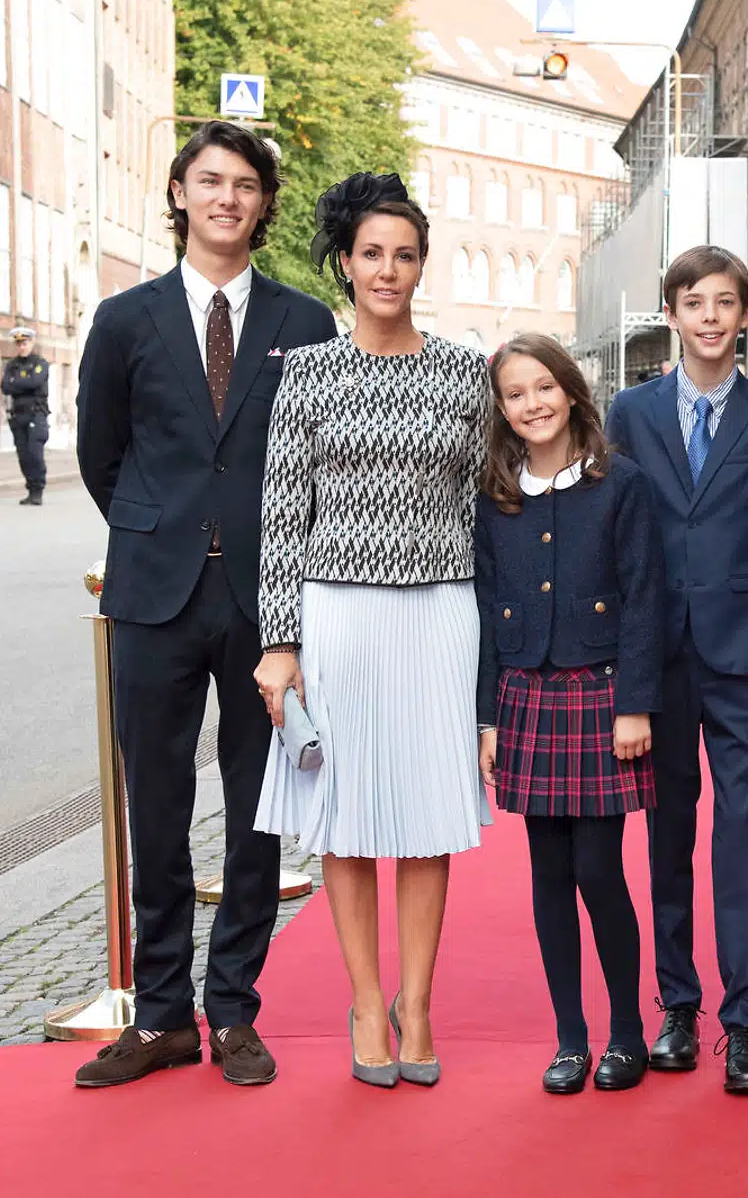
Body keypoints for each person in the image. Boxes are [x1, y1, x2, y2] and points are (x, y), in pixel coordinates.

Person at [74, 121, 338, 1088]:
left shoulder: (304, 323)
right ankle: (160, 1016)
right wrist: (161, 529)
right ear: (180, 194)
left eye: (246, 185)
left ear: (264, 205)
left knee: (258, 806)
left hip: (267, 603)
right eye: (211, 181)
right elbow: (102, 455)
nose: (228, 198)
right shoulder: (125, 319)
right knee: (156, 804)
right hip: (155, 594)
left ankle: (231, 1010)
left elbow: (316, 462)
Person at [253, 172, 492, 1089]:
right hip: (338, 614)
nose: (388, 270)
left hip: (440, 613)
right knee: (347, 817)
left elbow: (486, 506)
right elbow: (282, 515)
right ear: (346, 265)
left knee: (428, 815)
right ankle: (364, 1003)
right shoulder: (308, 371)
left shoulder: (465, 372)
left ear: (422, 266)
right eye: (371, 254)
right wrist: (281, 643)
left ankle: (416, 1004)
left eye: (404, 255)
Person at [606, 246, 748, 1096]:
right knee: (668, 836)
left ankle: (746, 1020)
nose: (711, 318)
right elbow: (614, 533)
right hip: (658, 658)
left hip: (743, 657)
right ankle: (678, 1007)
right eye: (695, 303)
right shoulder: (630, 412)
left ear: (745, 314)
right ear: (671, 315)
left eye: (726, 303)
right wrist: (622, 667)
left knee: (747, 837)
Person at [476, 334, 663, 1095]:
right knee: (547, 872)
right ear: (501, 409)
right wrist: (487, 719)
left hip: (601, 697)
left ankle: (628, 1033)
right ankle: (570, 1039)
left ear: (572, 390)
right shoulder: (497, 496)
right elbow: (487, 613)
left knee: (598, 869)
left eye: (544, 387)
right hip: (526, 696)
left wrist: (635, 706)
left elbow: (646, 600)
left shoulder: (621, 485)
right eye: (515, 394)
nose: (533, 404)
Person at [2, 326, 50, 505]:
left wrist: (17, 383)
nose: (22, 347)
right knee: (23, 455)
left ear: (31, 342)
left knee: (35, 453)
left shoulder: (40, 363)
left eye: (25, 343)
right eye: (19, 344)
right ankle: (30, 488)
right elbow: (5, 387)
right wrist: (25, 383)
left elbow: (35, 382)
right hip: (18, 416)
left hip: (36, 414)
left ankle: (38, 489)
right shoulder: (12, 365)